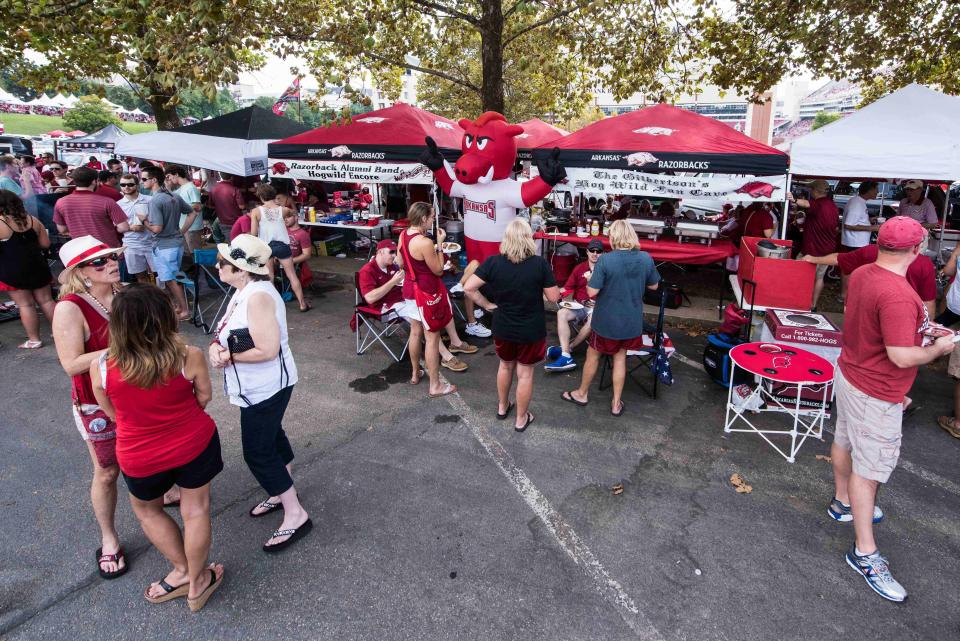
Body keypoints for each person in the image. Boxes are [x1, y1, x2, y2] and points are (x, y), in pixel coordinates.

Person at [828, 216, 953, 602]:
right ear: (917, 251)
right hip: (877, 391)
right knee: (871, 471)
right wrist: (938, 348)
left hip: (850, 373)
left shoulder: (865, 272)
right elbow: (901, 356)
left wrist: (922, 332)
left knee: (844, 441)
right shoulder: (899, 293)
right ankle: (864, 551)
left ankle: (841, 502)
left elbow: (875, 325)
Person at [89, 284, 224, 610]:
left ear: (117, 324)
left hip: (139, 454)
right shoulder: (188, 355)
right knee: (195, 510)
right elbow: (204, 397)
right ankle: (198, 582)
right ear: (165, 318)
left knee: (148, 510)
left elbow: (112, 412)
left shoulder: (102, 367)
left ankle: (180, 571)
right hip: (193, 443)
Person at [209, 234, 312, 552]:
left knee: (257, 451)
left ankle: (295, 513)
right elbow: (230, 330)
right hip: (257, 387)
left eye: (223, 263)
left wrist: (228, 356)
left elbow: (267, 348)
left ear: (240, 269)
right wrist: (217, 346)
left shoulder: (257, 297)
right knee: (271, 436)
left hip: (265, 386)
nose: (217, 265)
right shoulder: (244, 291)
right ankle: (283, 489)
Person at [52, 236, 128, 580]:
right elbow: (70, 364)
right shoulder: (70, 307)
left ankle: (165, 492)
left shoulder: (124, 294)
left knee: (148, 455)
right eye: (100, 262)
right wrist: (125, 349)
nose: (111, 263)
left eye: (112, 257)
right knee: (108, 471)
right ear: (80, 272)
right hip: (95, 401)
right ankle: (109, 538)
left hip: (136, 392)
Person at [464, 219, 560, 431]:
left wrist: (488, 305)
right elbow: (554, 297)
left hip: (503, 326)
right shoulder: (539, 264)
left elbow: (469, 288)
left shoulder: (493, 262)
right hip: (530, 329)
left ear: (506, 238)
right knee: (525, 373)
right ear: (528, 238)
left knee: (505, 366)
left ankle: (502, 406)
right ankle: (521, 418)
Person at [561, 220, 660, 416]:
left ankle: (582, 393)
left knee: (593, 355)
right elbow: (654, 286)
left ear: (614, 237)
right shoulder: (645, 258)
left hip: (606, 320)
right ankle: (616, 403)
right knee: (621, 358)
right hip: (631, 321)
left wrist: (591, 279)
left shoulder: (606, 260)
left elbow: (591, 291)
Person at [359, 239, 475, 372]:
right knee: (425, 318)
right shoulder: (367, 270)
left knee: (440, 303)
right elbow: (370, 298)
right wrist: (393, 282)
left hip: (403, 299)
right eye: (391, 252)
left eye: (395, 252)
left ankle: (456, 342)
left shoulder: (392, 265)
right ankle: (446, 357)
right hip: (386, 307)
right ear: (380, 252)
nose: (394, 255)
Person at [398, 202, 457, 397]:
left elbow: (400, 262)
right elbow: (438, 270)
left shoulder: (403, 234)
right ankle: (435, 385)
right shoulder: (423, 242)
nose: (433, 220)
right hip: (426, 291)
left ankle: (415, 373)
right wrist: (439, 244)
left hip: (409, 289)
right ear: (423, 219)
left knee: (415, 332)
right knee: (432, 338)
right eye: (432, 217)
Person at [803, 242, 937, 318]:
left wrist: (813, 259)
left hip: (867, 315)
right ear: (917, 245)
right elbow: (928, 302)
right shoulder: (925, 264)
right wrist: (927, 330)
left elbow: (839, 259)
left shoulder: (871, 252)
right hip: (903, 317)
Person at [0, 189, 55, 348]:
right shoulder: (32, 220)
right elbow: (45, 244)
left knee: (26, 305)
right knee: (47, 301)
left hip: (13, 270)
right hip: (38, 266)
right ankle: (60, 331)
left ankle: (34, 340)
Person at [141, 165, 194, 320]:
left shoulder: (156, 200)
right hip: (174, 243)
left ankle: (184, 310)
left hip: (164, 245)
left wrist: (144, 221)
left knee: (171, 279)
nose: (141, 182)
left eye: (144, 179)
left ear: (154, 180)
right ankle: (179, 307)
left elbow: (156, 228)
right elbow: (192, 212)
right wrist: (182, 231)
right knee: (173, 277)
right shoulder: (173, 196)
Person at [249, 182, 309, 312]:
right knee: (292, 275)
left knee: (269, 275)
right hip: (282, 245)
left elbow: (253, 233)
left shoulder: (255, 212)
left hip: (266, 246)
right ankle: (302, 303)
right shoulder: (283, 210)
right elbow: (294, 213)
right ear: (273, 195)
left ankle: (273, 305)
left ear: (260, 197)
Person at [545, 237, 603, 372]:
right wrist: (554, 293)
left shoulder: (606, 270)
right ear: (587, 252)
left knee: (594, 319)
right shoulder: (579, 268)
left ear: (603, 253)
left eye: (598, 251)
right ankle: (565, 354)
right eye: (592, 250)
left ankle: (569, 348)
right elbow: (567, 288)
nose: (595, 253)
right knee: (561, 313)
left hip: (598, 308)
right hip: (579, 305)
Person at [53, 166, 129, 246]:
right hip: (107, 249)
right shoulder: (107, 202)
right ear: (94, 181)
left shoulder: (61, 202)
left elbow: (62, 230)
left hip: (82, 250)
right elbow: (124, 227)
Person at [799, 179, 839, 310]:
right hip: (827, 249)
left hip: (812, 249)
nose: (810, 192)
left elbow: (805, 204)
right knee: (819, 277)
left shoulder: (818, 204)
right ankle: (813, 305)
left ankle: (800, 302)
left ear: (816, 191)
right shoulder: (833, 205)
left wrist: (792, 198)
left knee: (801, 275)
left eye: (811, 190)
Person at [839, 181, 880, 302]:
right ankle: (845, 295)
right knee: (850, 269)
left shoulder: (858, 201)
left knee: (850, 268)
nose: (877, 192)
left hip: (854, 241)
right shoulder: (857, 204)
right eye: (876, 189)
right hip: (855, 242)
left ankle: (847, 294)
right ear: (869, 190)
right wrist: (872, 228)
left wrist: (869, 220)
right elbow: (849, 225)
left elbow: (856, 220)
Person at [116, 173, 155, 283]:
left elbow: (158, 221)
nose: (126, 187)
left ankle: (162, 297)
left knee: (159, 274)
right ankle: (148, 298)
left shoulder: (149, 200)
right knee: (140, 276)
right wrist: (131, 228)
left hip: (151, 243)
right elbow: (118, 228)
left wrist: (146, 223)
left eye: (130, 184)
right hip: (131, 245)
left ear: (137, 185)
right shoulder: (118, 205)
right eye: (123, 185)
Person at [165, 164, 204, 253]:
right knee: (189, 253)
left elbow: (197, 206)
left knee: (195, 253)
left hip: (192, 227)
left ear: (176, 174)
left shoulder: (190, 187)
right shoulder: (183, 187)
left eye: (169, 176)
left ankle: (199, 267)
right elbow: (171, 197)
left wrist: (180, 207)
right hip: (185, 226)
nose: (169, 179)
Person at [210, 172, 246, 243]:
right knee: (236, 242)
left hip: (222, 219)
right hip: (235, 220)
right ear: (232, 177)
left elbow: (211, 205)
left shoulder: (213, 189)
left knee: (229, 241)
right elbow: (242, 206)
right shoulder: (235, 189)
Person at [284, 209, 313, 288]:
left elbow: (307, 255)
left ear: (296, 217)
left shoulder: (303, 234)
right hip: (279, 259)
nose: (285, 219)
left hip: (290, 262)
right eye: (284, 217)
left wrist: (291, 261)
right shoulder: (283, 230)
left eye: (288, 217)